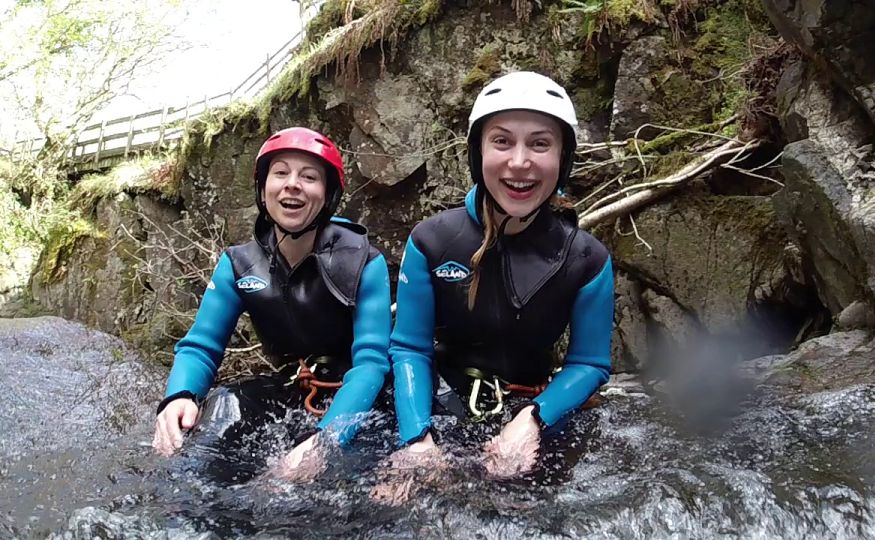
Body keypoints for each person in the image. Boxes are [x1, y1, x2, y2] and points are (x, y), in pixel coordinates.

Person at [386, 71, 614, 482]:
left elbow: (589, 363)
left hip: (533, 403)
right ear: (478, 153)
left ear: (563, 159)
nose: (520, 162)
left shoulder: (587, 259)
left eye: (540, 143)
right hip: (441, 402)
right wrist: (417, 438)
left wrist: (535, 418)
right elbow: (409, 350)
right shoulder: (432, 241)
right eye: (502, 141)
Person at [152, 127, 391, 482]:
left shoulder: (363, 262)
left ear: (328, 195)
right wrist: (179, 396)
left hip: (358, 394)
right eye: (280, 173)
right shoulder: (238, 264)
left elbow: (371, 363)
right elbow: (202, 346)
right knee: (222, 409)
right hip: (292, 387)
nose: (292, 184)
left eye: (309, 177)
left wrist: (325, 441)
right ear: (263, 190)